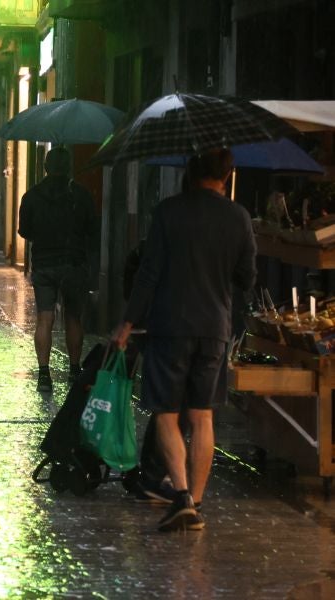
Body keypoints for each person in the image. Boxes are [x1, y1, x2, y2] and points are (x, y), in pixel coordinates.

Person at [112, 148, 256, 532]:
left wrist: (127, 323)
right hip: (214, 328)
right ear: (227, 174)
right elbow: (247, 278)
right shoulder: (239, 217)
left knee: (166, 412)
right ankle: (198, 500)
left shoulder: (168, 212)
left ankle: (181, 496)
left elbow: (148, 274)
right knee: (203, 414)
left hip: (170, 326)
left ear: (191, 172)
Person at [18, 147, 99, 392]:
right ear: (69, 168)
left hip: (43, 265)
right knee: (74, 318)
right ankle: (75, 370)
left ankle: (44, 374)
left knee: (45, 318)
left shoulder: (31, 196)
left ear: (46, 167)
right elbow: (92, 230)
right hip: (73, 264)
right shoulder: (81, 195)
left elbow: (24, 231)